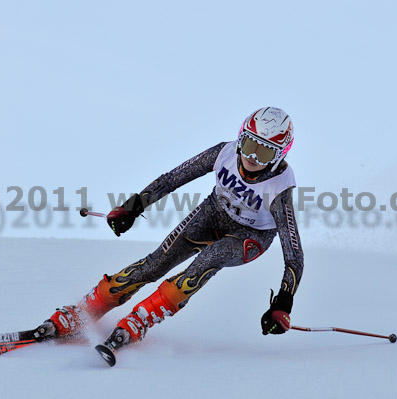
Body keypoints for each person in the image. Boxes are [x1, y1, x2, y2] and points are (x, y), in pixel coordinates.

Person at [34, 107, 304, 353]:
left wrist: (283, 303)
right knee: (155, 264)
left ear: (279, 155)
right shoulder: (224, 153)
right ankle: (82, 312)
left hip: (251, 237)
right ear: (240, 137)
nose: (251, 157)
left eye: (264, 152)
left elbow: (294, 255)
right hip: (213, 214)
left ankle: (141, 318)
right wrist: (133, 206)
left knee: (209, 259)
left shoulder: (279, 188)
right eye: (248, 145)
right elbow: (174, 178)